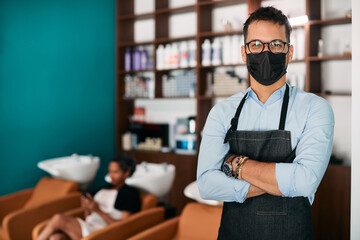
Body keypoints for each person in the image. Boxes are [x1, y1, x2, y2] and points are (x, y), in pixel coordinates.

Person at [197, 6, 334, 240]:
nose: (266, 52)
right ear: (244, 52)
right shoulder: (222, 112)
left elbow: (305, 182)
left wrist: (236, 165)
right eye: (257, 44)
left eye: (276, 45)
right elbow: (207, 185)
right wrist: (280, 182)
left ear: (289, 52)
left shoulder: (315, 108)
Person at [37, 154, 141, 240]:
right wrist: (87, 208)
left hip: (103, 232)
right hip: (89, 227)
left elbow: (124, 226)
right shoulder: (102, 189)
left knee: (58, 218)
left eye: (115, 172)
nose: (110, 175)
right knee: (56, 238)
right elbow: (88, 217)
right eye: (109, 171)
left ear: (126, 173)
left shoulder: (130, 193)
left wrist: (98, 210)